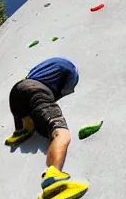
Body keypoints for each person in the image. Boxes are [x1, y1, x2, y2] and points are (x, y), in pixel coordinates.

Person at [6, 57, 79, 190]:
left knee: (32, 121)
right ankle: (53, 176)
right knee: (61, 133)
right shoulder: (71, 70)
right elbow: (64, 89)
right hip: (37, 93)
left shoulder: (45, 68)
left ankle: (25, 128)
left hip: (17, 93)